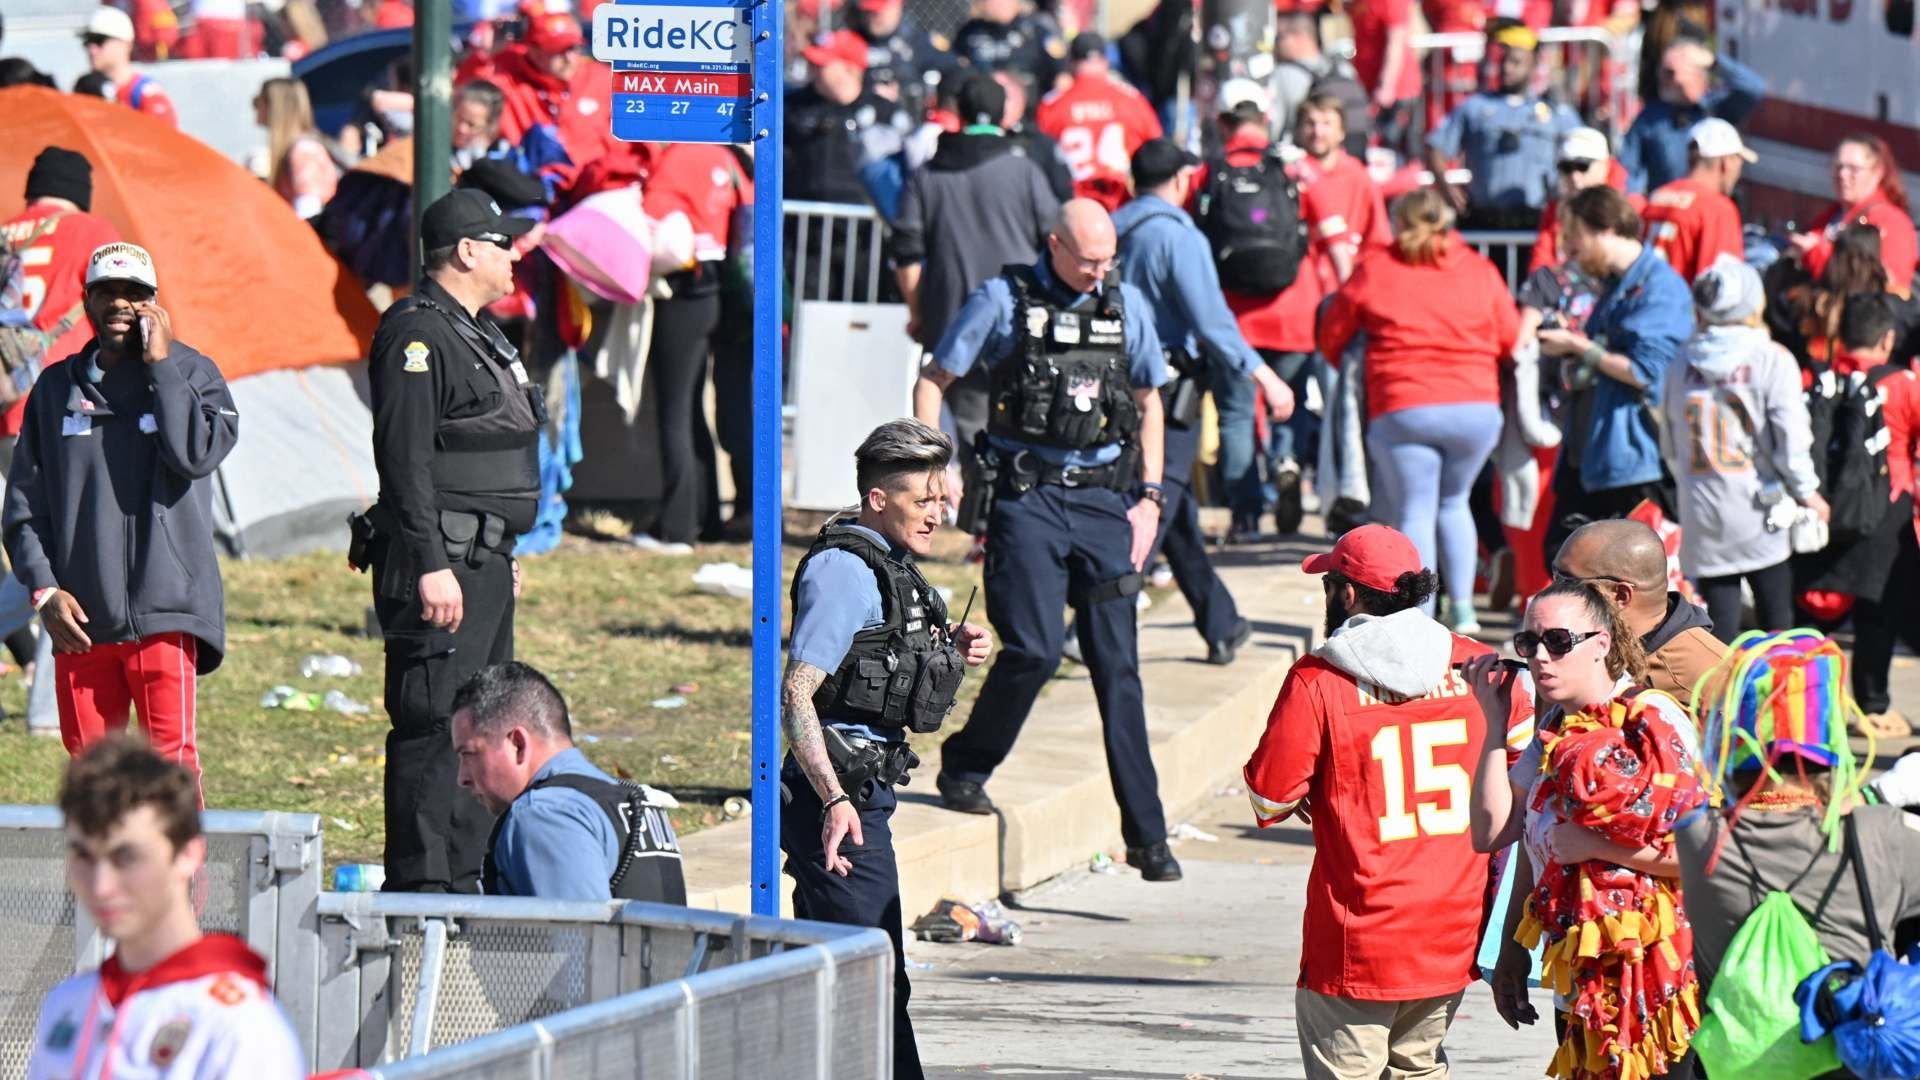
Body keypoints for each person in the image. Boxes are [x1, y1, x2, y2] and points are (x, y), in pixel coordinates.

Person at [913, 200, 1182, 881]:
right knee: (1031, 649)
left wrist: (1150, 498)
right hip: (1025, 499)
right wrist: (935, 465)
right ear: (1054, 244)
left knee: (1118, 668)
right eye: (1087, 259)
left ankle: (1148, 839)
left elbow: (1149, 400)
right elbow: (934, 377)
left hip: (1103, 501)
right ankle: (968, 766)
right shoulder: (1003, 299)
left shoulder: (1125, 305)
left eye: (1108, 260)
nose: (1099, 272)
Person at [1244, 525, 1534, 1080]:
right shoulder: (1480, 666)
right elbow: (1525, 769)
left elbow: (1269, 796)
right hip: (1452, 931)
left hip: (1359, 939)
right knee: (1421, 1068)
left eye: (1329, 582)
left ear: (1348, 595)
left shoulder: (1318, 680)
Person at [782, 418, 992, 1080]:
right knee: (871, 982)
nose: (938, 512)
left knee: (864, 977)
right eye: (922, 499)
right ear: (879, 499)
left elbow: (879, 661)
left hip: (864, 795)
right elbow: (796, 693)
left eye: (941, 497)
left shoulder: (891, 564)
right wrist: (833, 799)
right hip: (837, 804)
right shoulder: (844, 571)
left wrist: (951, 649)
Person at [360, 190, 545, 894]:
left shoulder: (478, 332)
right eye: (502, 243)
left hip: (483, 561)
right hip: (439, 566)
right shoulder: (417, 333)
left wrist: (500, 549)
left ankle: (468, 877)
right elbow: (403, 464)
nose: (513, 255)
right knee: (432, 724)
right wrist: (433, 564)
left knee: (482, 722)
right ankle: (420, 887)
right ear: (467, 251)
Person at [4, 243, 237, 798]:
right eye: (106, 291)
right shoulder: (56, 389)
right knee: (92, 781)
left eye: (134, 294)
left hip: (166, 612)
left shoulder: (194, 373)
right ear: (87, 299)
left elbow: (195, 455)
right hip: (81, 621)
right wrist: (44, 593)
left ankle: (183, 888)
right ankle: (97, 889)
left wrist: (162, 368)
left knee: (170, 771)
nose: (120, 304)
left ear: (153, 303)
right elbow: (23, 508)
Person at [1464, 580, 1705, 1080]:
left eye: (1558, 641)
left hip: (1652, 987)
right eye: (1529, 644)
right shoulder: (1552, 726)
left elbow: (1701, 850)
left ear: (1602, 644)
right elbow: (1497, 833)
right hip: (1578, 979)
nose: (1540, 658)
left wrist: (1593, 844)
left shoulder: (1652, 720)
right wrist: (1493, 725)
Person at [1111, 139, 1294, 662]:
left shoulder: (1110, 228)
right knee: (1156, 499)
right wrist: (1264, 376)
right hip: (1168, 390)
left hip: (1118, 383)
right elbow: (1211, 321)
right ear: (1181, 181)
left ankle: (1222, 621)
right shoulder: (1177, 236)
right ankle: (1103, 613)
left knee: (1178, 514)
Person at [27, 738, 305, 1079]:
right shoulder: (67, 1004)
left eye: (126, 857)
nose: (101, 886)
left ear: (188, 855)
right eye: (83, 855)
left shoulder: (239, 1026)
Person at [1676, 631, 1920, 1001]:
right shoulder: (1880, 832)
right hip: (1850, 1050)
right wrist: (1880, 793)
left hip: (1735, 1056)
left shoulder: (1696, 837)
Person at [1318, 188, 1519, 632]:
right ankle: (1464, 610)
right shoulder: (1479, 268)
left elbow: (1333, 332)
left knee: (1415, 510)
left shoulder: (1376, 268)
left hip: (1403, 406)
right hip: (1475, 408)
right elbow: (1510, 336)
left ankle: (1420, 619)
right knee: (1455, 502)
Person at [1213, 92, 1386, 539]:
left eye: (1326, 122)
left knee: (1236, 414)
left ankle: (1247, 515)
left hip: (1238, 314)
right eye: (1310, 122)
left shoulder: (1213, 171)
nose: (1317, 132)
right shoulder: (1295, 174)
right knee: (1292, 402)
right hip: (1300, 310)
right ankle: (1288, 463)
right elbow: (1334, 238)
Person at [894, 75, 1059, 487]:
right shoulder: (1025, 171)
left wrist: (918, 313)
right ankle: (1012, 514)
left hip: (952, 317)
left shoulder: (926, 175)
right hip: (1022, 319)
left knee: (972, 429)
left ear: (957, 112)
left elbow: (907, 253)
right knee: (1022, 421)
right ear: (1005, 113)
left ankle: (983, 524)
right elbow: (1056, 240)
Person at [1661, 259, 1826, 641]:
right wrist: (1807, 492)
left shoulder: (1681, 361)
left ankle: (1721, 697)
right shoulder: (1772, 358)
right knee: (1777, 621)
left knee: (1719, 622)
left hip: (1703, 502)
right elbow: (1791, 437)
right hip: (1761, 504)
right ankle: (1776, 695)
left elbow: (1669, 441)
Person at [1536, 186, 1693, 554]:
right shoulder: (1617, 286)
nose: (1571, 252)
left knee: (1617, 569)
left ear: (1605, 230)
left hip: (1634, 456)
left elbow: (1644, 370)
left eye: (1577, 239)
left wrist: (1578, 346)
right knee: (1563, 555)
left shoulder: (1659, 288)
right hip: (1593, 449)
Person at [1793, 293, 1920, 740]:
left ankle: (1806, 711)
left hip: (1820, 508)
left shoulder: (1817, 378)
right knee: (1876, 613)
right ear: (1887, 339)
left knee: (1809, 615)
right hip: (1886, 508)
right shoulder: (1906, 383)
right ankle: (1872, 706)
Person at [451, 661, 686, 901]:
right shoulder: (626, 799)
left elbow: (577, 934)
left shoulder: (544, 814)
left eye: (468, 754)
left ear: (518, 744)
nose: (462, 778)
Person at [635, 142, 750, 547]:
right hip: (718, 291)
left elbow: (650, 218)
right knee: (692, 408)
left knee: (676, 410)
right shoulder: (725, 157)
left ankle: (677, 528)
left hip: (686, 292)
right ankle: (704, 518)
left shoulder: (682, 157)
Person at [1, 148, 121, 440]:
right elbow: (119, 316)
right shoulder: (93, 232)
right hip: (68, 402)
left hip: (5, 404)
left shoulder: (5, 232)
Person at [1550, 518, 1727, 707]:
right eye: (1554, 576)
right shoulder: (1567, 646)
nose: (1553, 592)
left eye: (1567, 582)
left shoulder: (1705, 687)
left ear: (1620, 595)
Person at [1425, 22, 1581, 231]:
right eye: (1504, 61)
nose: (1507, 68)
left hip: (1536, 221)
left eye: (1516, 62)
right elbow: (1436, 147)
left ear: (1533, 64)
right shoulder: (1475, 107)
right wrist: (1446, 188)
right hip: (1484, 221)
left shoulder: (1554, 112)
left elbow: (1583, 148)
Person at [459, 9, 615, 190]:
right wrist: (484, 55)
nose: (570, 58)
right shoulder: (508, 77)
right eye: (560, 51)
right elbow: (468, 94)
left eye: (574, 48)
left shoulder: (601, 78)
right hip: (529, 189)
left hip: (592, 187)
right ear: (535, 51)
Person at [1034, 33, 1163, 211]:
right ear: (1105, 60)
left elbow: (1038, 153)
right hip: (1120, 203)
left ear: (1071, 62)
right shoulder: (1131, 100)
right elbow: (1156, 147)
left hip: (1072, 205)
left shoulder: (1053, 104)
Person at [1618, 38, 1765, 194]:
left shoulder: (1716, 109)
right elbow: (1628, 171)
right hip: (1670, 208)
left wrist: (1714, 61)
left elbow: (1753, 89)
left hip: (1711, 207)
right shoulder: (1650, 119)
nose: (1662, 79)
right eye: (1660, 71)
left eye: (1670, 72)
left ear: (1696, 73)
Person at [786, 30, 911, 205]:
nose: (813, 68)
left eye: (823, 64)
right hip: (802, 220)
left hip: (862, 222)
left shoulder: (883, 110)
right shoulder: (795, 105)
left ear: (850, 68)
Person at [1790, 134, 1918, 290]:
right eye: (1838, 167)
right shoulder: (1829, 218)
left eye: (1853, 169)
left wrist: (1815, 254)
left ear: (1877, 172)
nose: (1843, 175)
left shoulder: (1892, 222)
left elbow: (1887, 287)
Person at [1640, 118, 1749, 283]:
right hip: (1680, 305)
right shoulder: (1718, 208)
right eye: (1738, 161)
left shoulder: (1657, 196)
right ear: (1726, 162)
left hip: (1644, 302)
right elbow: (1720, 287)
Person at [1528, 126, 1634, 274]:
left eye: (1583, 166)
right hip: (1570, 290)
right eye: (1566, 167)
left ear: (1605, 165)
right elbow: (1541, 261)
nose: (1575, 176)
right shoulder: (1556, 209)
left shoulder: (1631, 206)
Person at [1269, 11, 1369, 158]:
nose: (1275, 45)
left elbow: (1275, 129)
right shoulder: (1344, 68)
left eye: (1278, 38)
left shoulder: (1284, 74)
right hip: (1350, 155)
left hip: (1307, 163)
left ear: (1299, 37)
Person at [849, 0, 956, 123]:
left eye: (880, 10)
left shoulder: (918, 43)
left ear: (897, 7)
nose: (875, 16)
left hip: (913, 124)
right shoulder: (849, 42)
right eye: (869, 11)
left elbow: (956, 71)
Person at [253, 77, 340, 221]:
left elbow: (309, 211)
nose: (255, 109)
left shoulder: (304, 152)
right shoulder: (298, 148)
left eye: (257, 102)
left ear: (273, 106)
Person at [951, 0, 1065, 108]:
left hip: (1030, 105)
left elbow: (1061, 77)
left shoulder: (1035, 30)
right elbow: (958, 64)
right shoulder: (970, 32)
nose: (997, 4)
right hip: (985, 103)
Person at [79, 6, 177, 128]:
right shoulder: (85, 89)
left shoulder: (146, 95)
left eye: (99, 40)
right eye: (87, 41)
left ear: (126, 44)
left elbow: (165, 142)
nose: (91, 49)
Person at [1345, 0, 1419, 154]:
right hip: (1368, 87)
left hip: (1395, 91)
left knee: (1391, 152)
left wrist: (1386, 86)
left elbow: (1396, 40)